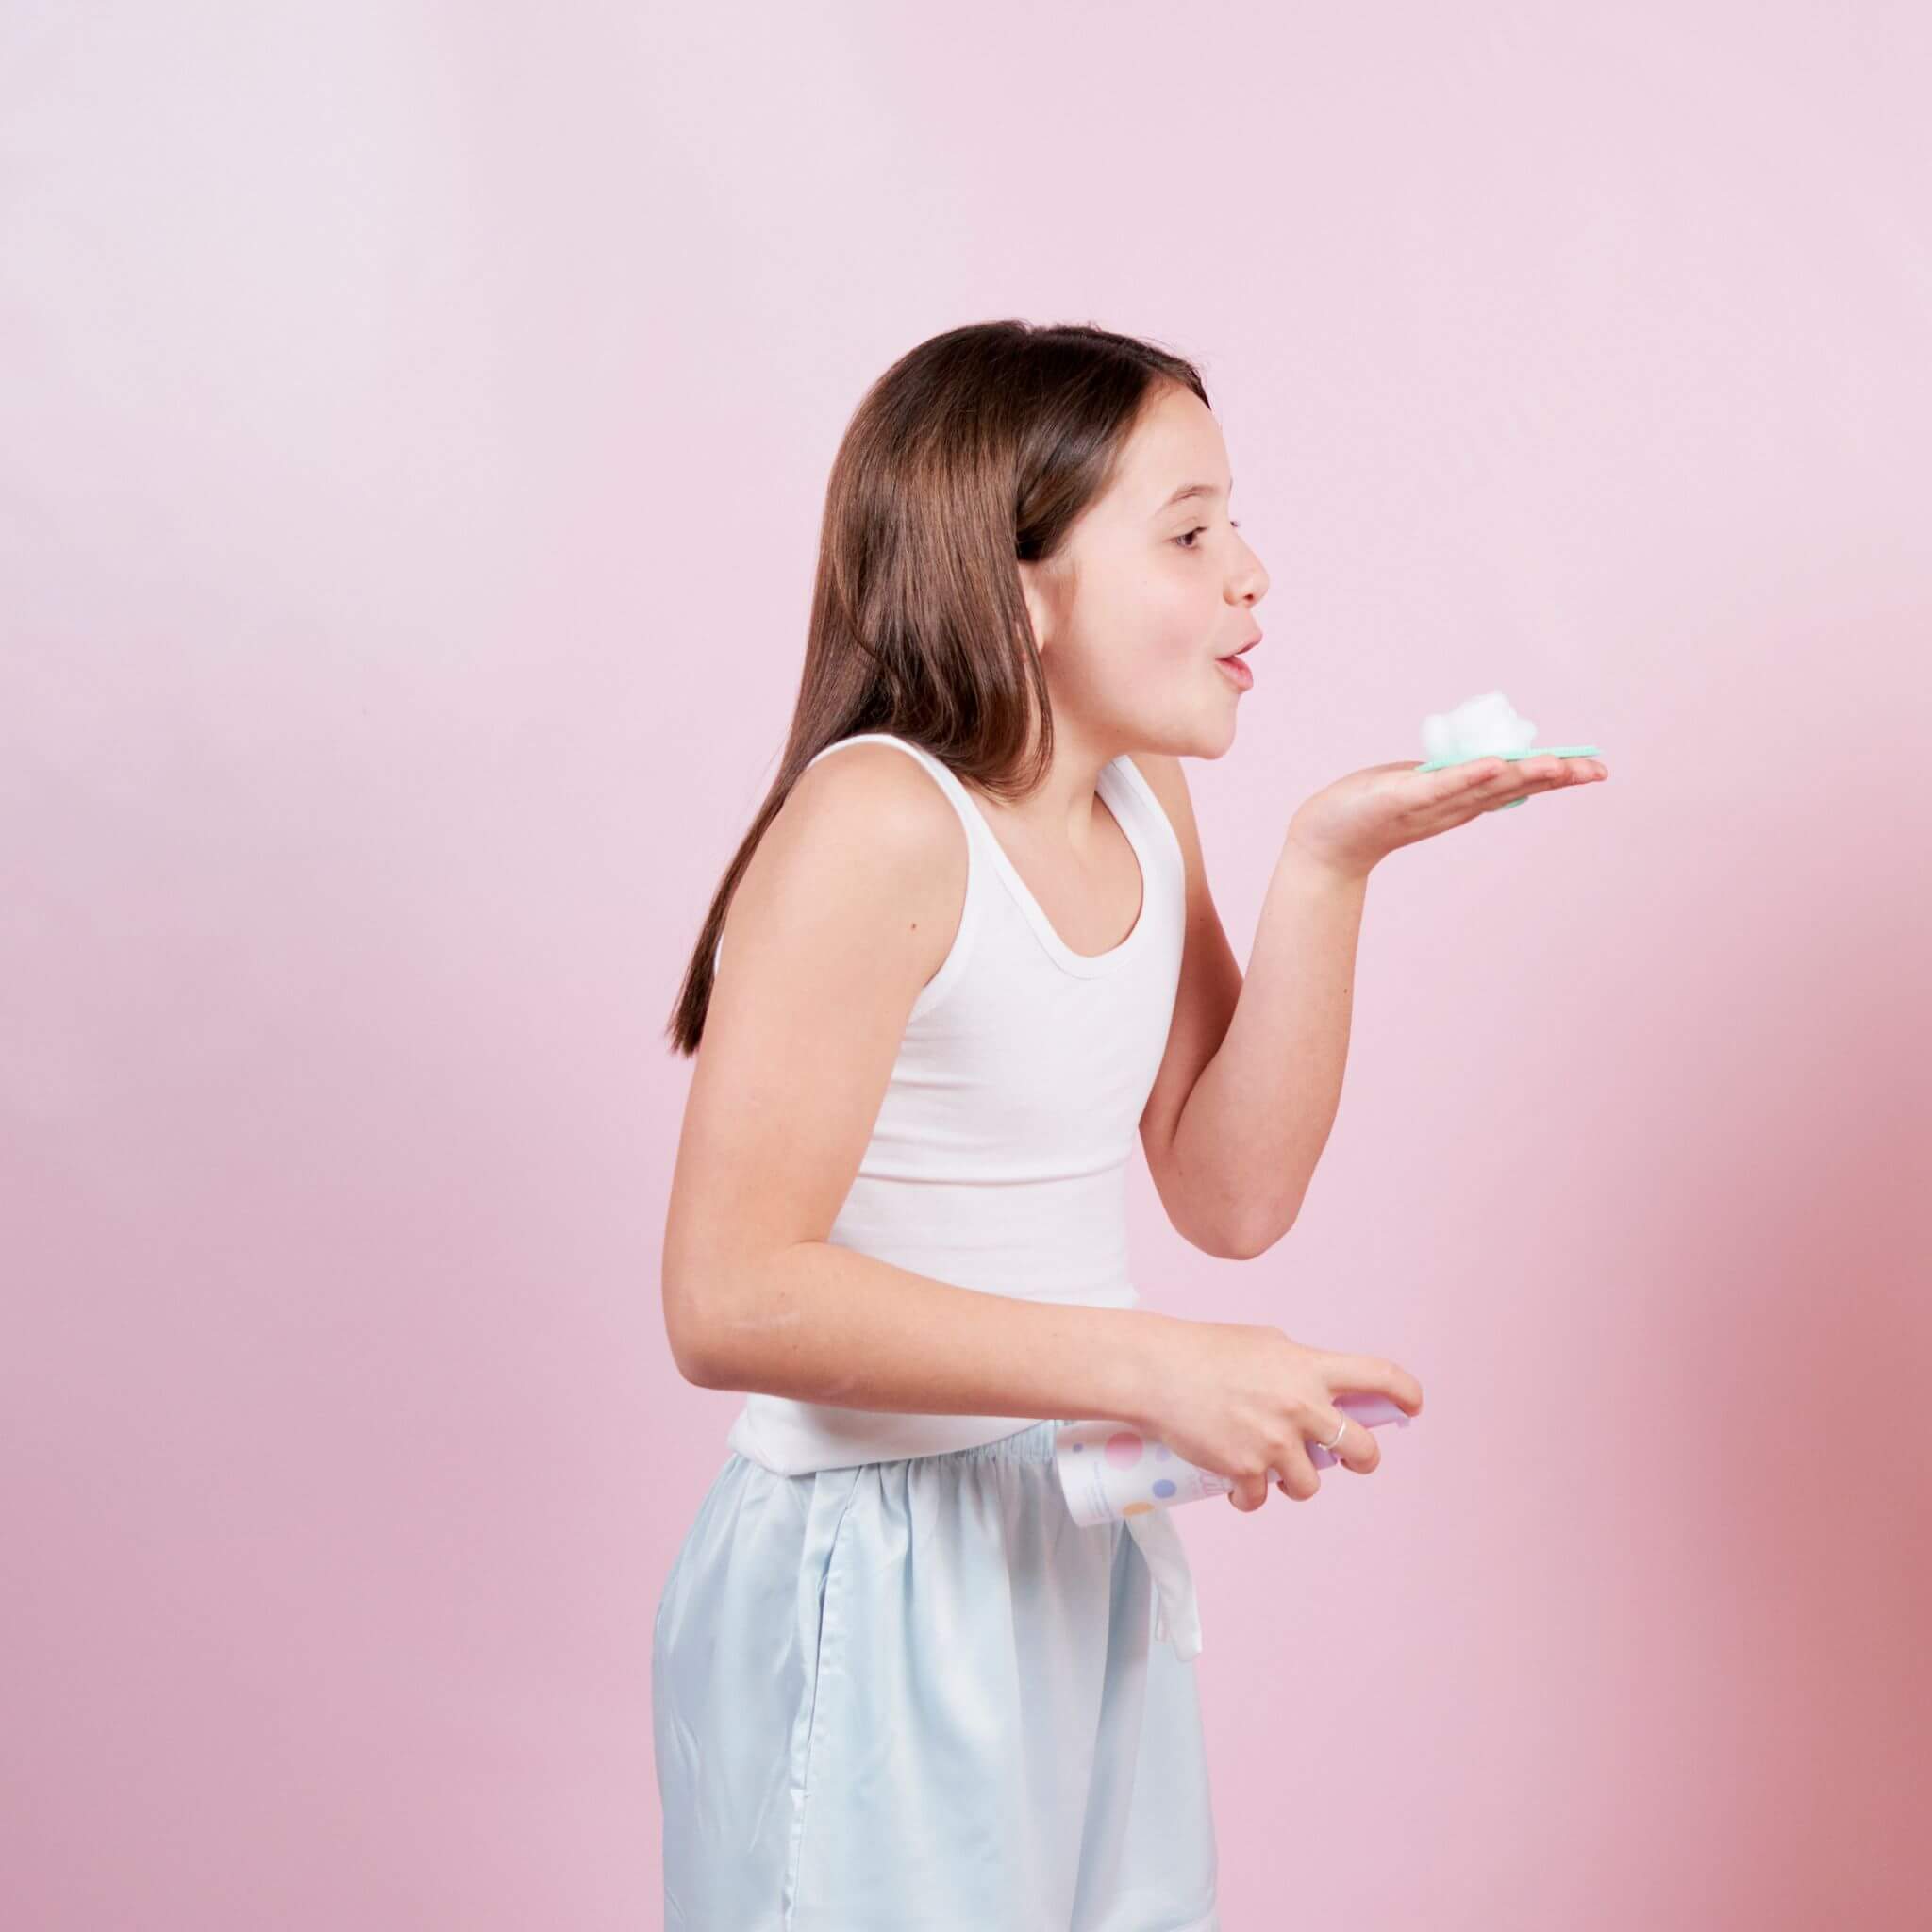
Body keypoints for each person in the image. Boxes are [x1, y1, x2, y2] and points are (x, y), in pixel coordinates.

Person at [653, 320, 1606, 1931]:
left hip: (1077, 1529)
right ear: (1019, 585)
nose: (1251, 573)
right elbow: (726, 1297)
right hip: (873, 1569)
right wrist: (1156, 1367)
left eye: (1234, 524)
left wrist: (1328, 864)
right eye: (1187, 533)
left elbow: (1232, 1196)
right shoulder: (879, 822)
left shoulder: (1140, 797)